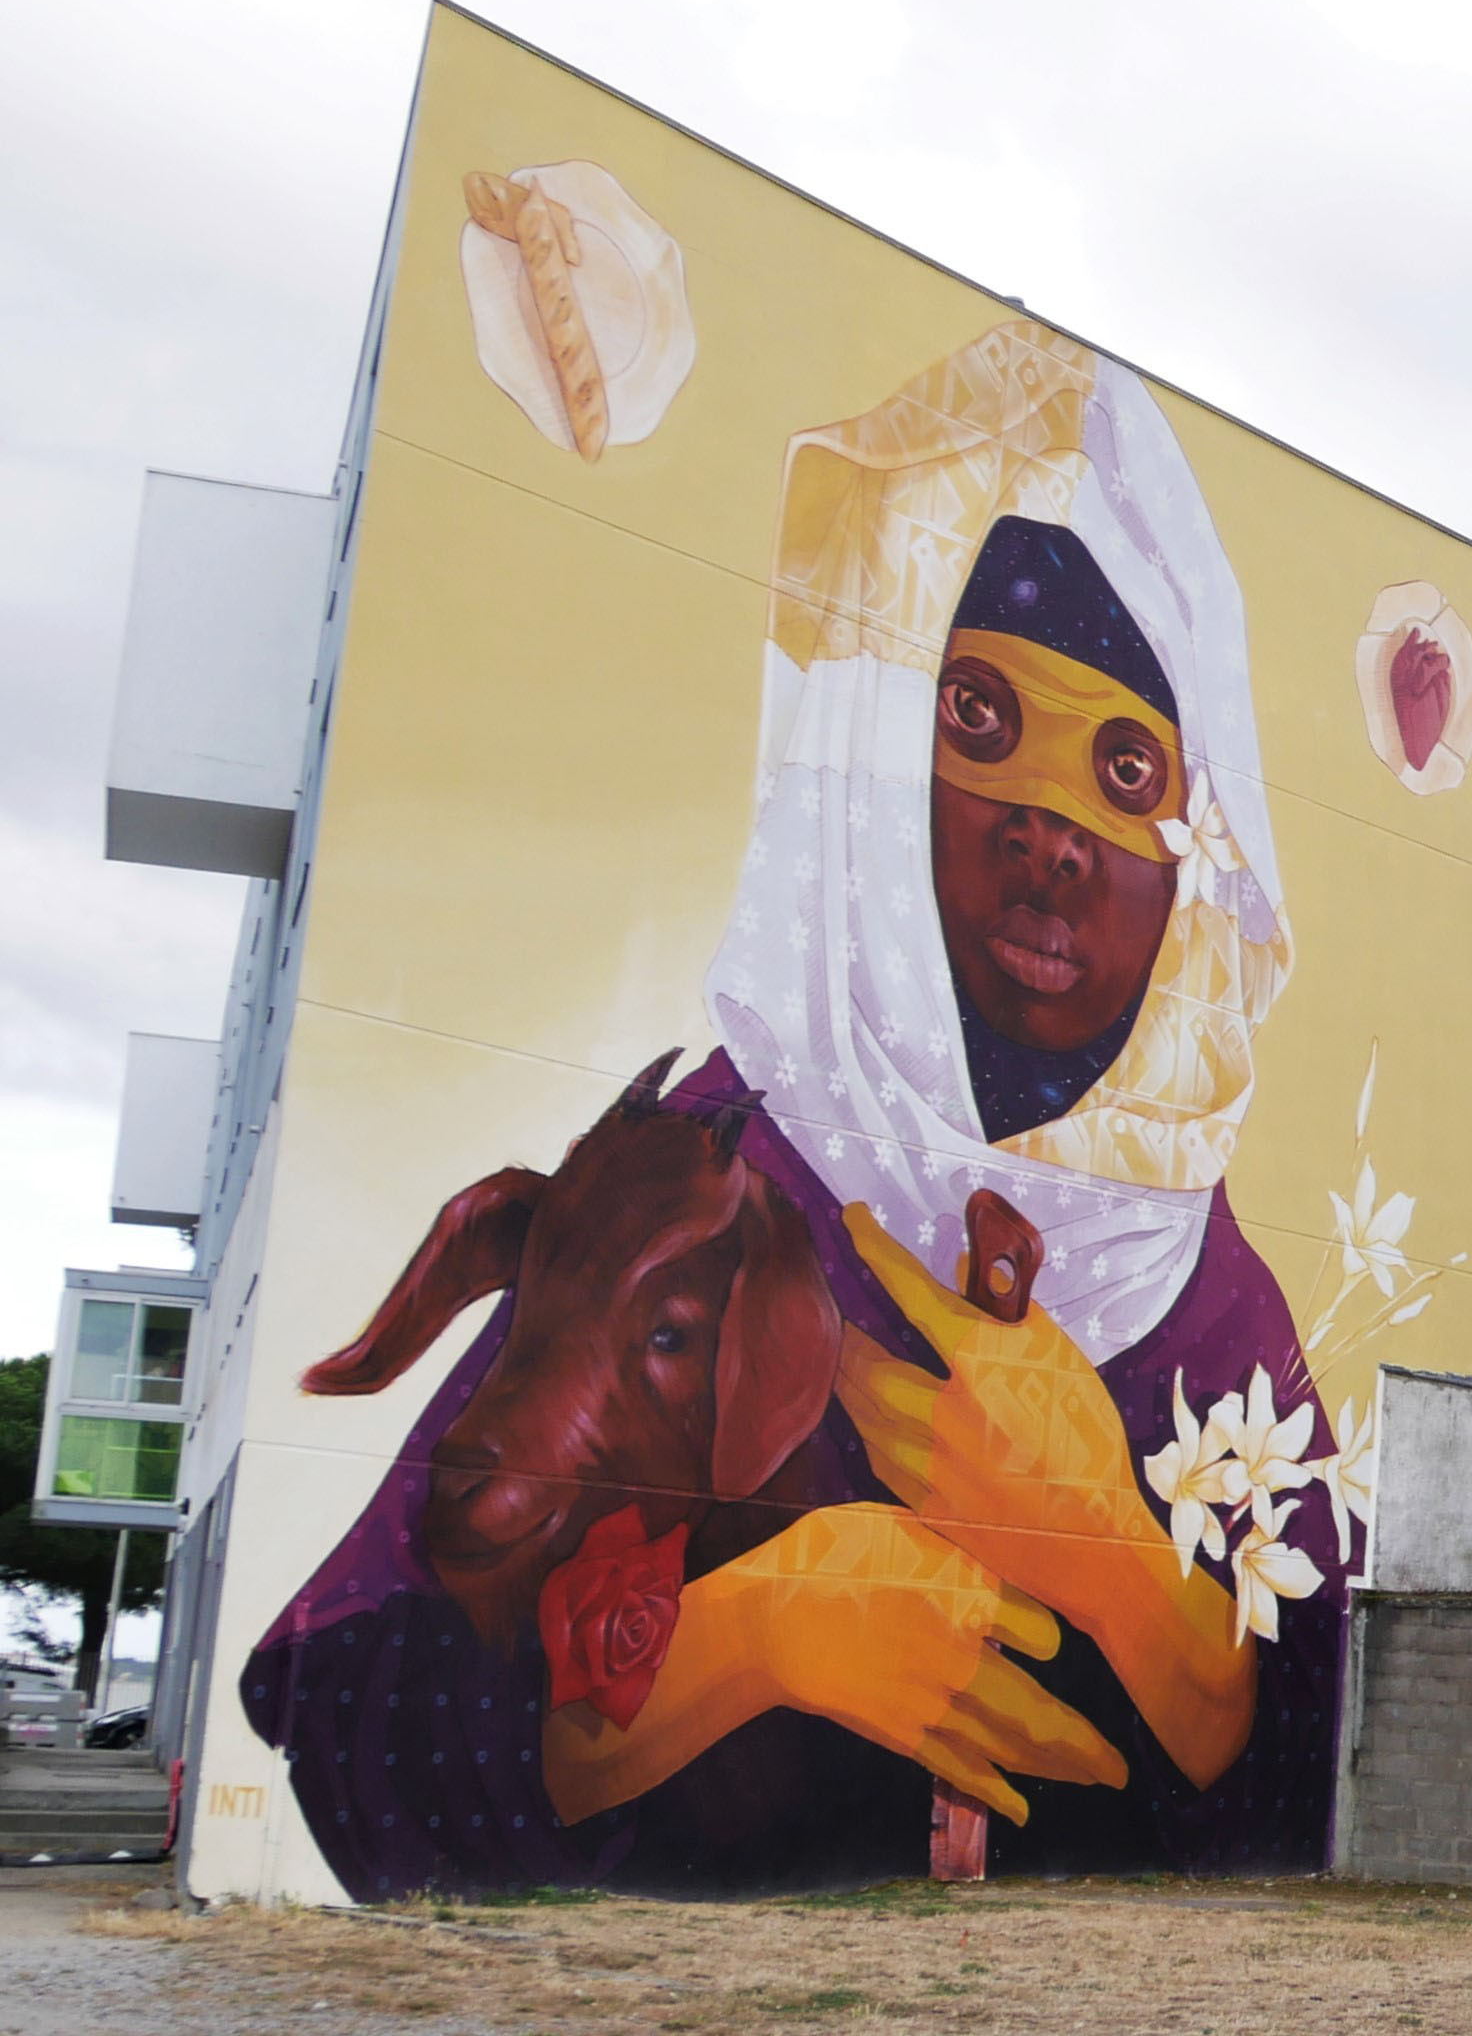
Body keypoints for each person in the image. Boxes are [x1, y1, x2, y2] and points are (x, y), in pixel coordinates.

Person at [247, 324, 1350, 1895]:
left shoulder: (1205, 1297)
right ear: (880, 754)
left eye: (1125, 769)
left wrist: (1113, 1558)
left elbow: (1348, 1789)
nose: (1052, 835)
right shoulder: (712, 1161)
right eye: (978, 719)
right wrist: (753, 1629)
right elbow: (363, 1713)